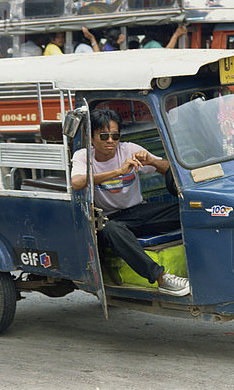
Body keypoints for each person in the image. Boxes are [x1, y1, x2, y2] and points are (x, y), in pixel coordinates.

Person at [70, 109, 190, 296]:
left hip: (138, 212)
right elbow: (76, 182)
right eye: (104, 136)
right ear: (91, 137)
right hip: (109, 220)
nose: (110, 141)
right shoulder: (83, 156)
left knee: (190, 211)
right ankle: (161, 278)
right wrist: (118, 172)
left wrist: (151, 161)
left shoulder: (129, 149)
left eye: (115, 135)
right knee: (111, 230)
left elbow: (167, 168)